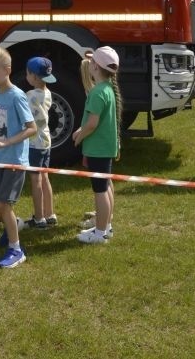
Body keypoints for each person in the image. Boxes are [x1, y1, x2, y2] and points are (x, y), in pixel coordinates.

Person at [0, 45, 36, 268]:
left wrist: (8, 141)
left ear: (8, 70)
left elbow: (32, 128)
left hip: (14, 160)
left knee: (3, 204)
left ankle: (16, 249)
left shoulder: (17, 96)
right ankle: (13, 223)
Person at [72, 46, 122, 245]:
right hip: (105, 147)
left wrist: (80, 135)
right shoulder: (107, 89)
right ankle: (105, 226)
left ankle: (100, 233)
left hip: (98, 149)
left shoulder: (97, 92)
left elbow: (92, 123)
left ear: (95, 67)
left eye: (92, 62)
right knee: (106, 185)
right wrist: (81, 130)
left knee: (100, 190)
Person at [24, 56, 57, 230]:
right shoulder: (48, 93)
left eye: (27, 73)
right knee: (45, 177)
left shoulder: (30, 96)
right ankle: (50, 214)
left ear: (34, 76)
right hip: (46, 141)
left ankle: (38, 218)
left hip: (33, 143)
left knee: (35, 180)